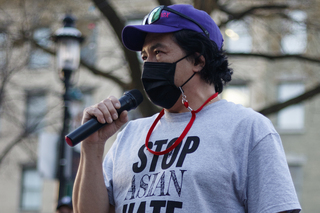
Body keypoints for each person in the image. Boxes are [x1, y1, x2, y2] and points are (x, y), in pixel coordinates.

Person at [73, 4, 301, 213]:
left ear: (198, 61)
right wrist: (92, 147)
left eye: (158, 53)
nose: (148, 64)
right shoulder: (129, 135)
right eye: (144, 56)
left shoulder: (248, 129)